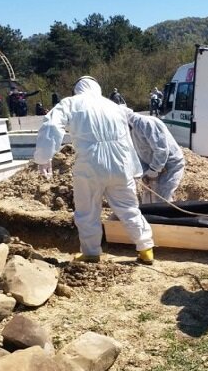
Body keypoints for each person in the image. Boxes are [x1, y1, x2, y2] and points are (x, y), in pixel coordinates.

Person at [33, 76, 155, 265]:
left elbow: (51, 126)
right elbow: (126, 140)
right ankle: (146, 249)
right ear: (97, 88)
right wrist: (134, 169)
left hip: (90, 165)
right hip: (120, 165)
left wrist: (43, 157)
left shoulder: (70, 103)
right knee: (129, 208)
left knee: (87, 210)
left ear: (77, 90)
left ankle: (91, 253)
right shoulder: (113, 106)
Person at [127, 111, 185, 204]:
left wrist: (153, 170)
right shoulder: (129, 131)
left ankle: (164, 218)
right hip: (152, 166)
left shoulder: (146, 123)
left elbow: (161, 150)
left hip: (169, 165)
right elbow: (138, 154)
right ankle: (149, 217)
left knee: (162, 198)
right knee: (148, 197)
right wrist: (146, 173)